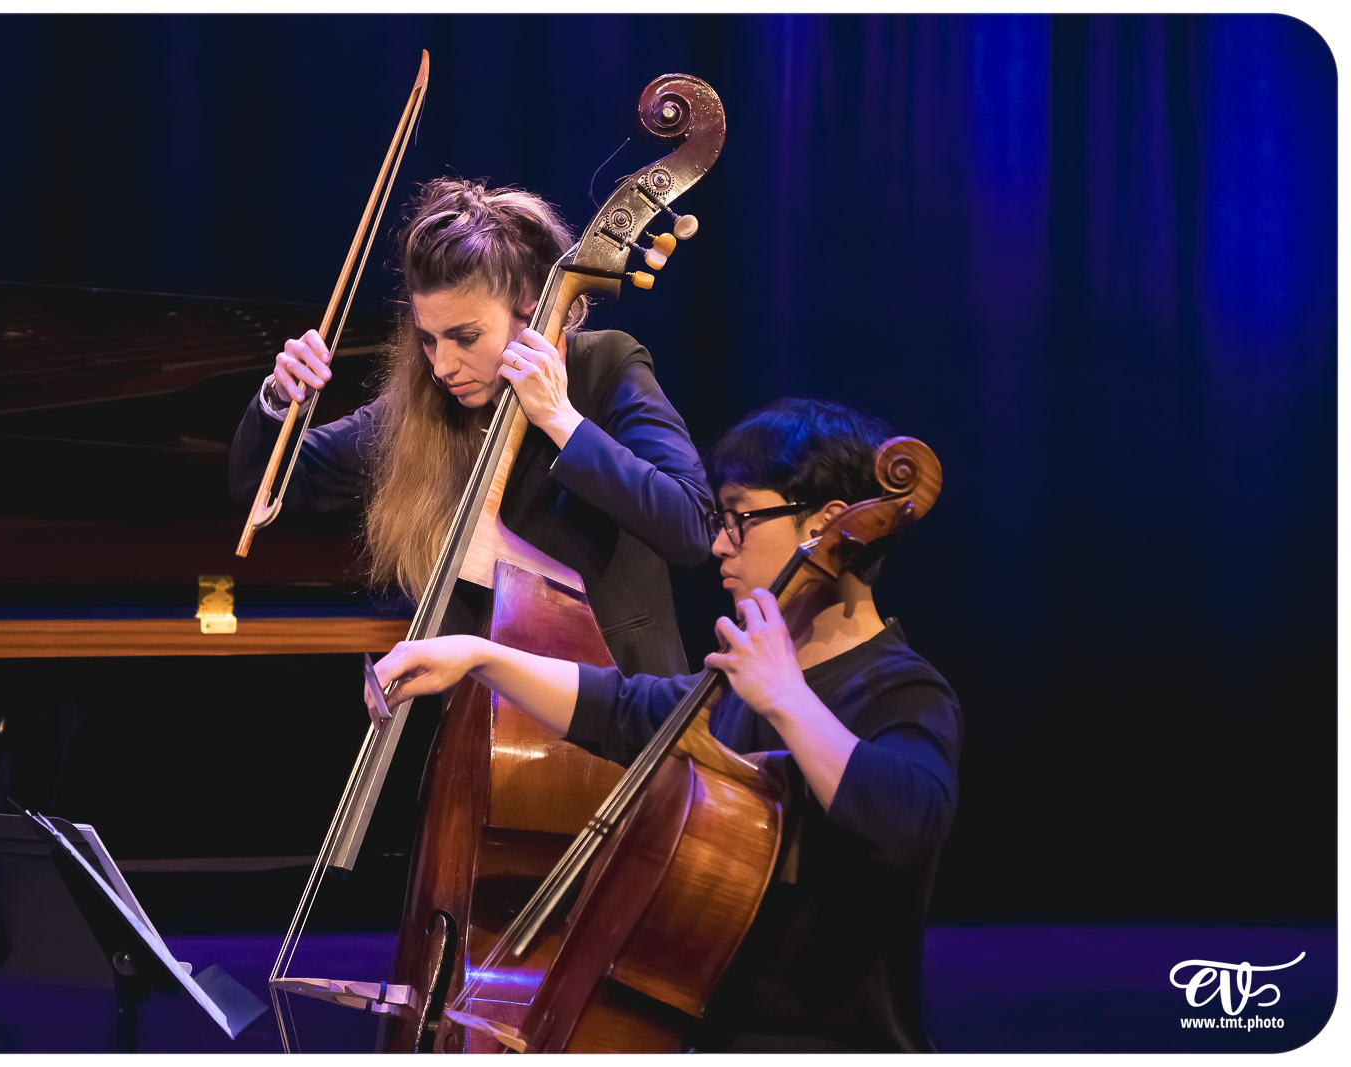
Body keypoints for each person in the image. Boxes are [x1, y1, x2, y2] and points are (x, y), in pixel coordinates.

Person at [367, 397, 963, 1052]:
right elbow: (619, 706)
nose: (719, 544)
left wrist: (788, 699)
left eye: (740, 518)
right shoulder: (741, 685)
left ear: (821, 525)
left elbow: (910, 821)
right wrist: (478, 657)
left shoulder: (899, 688)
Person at [230, 178, 714, 677]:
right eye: (429, 340)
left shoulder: (607, 366)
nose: (442, 366)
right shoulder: (421, 411)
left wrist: (560, 419)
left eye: (465, 337)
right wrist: (279, 397)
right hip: (482, 710)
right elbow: (262, 483)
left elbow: (691, 528)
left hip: (624, 694)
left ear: (531, 313)